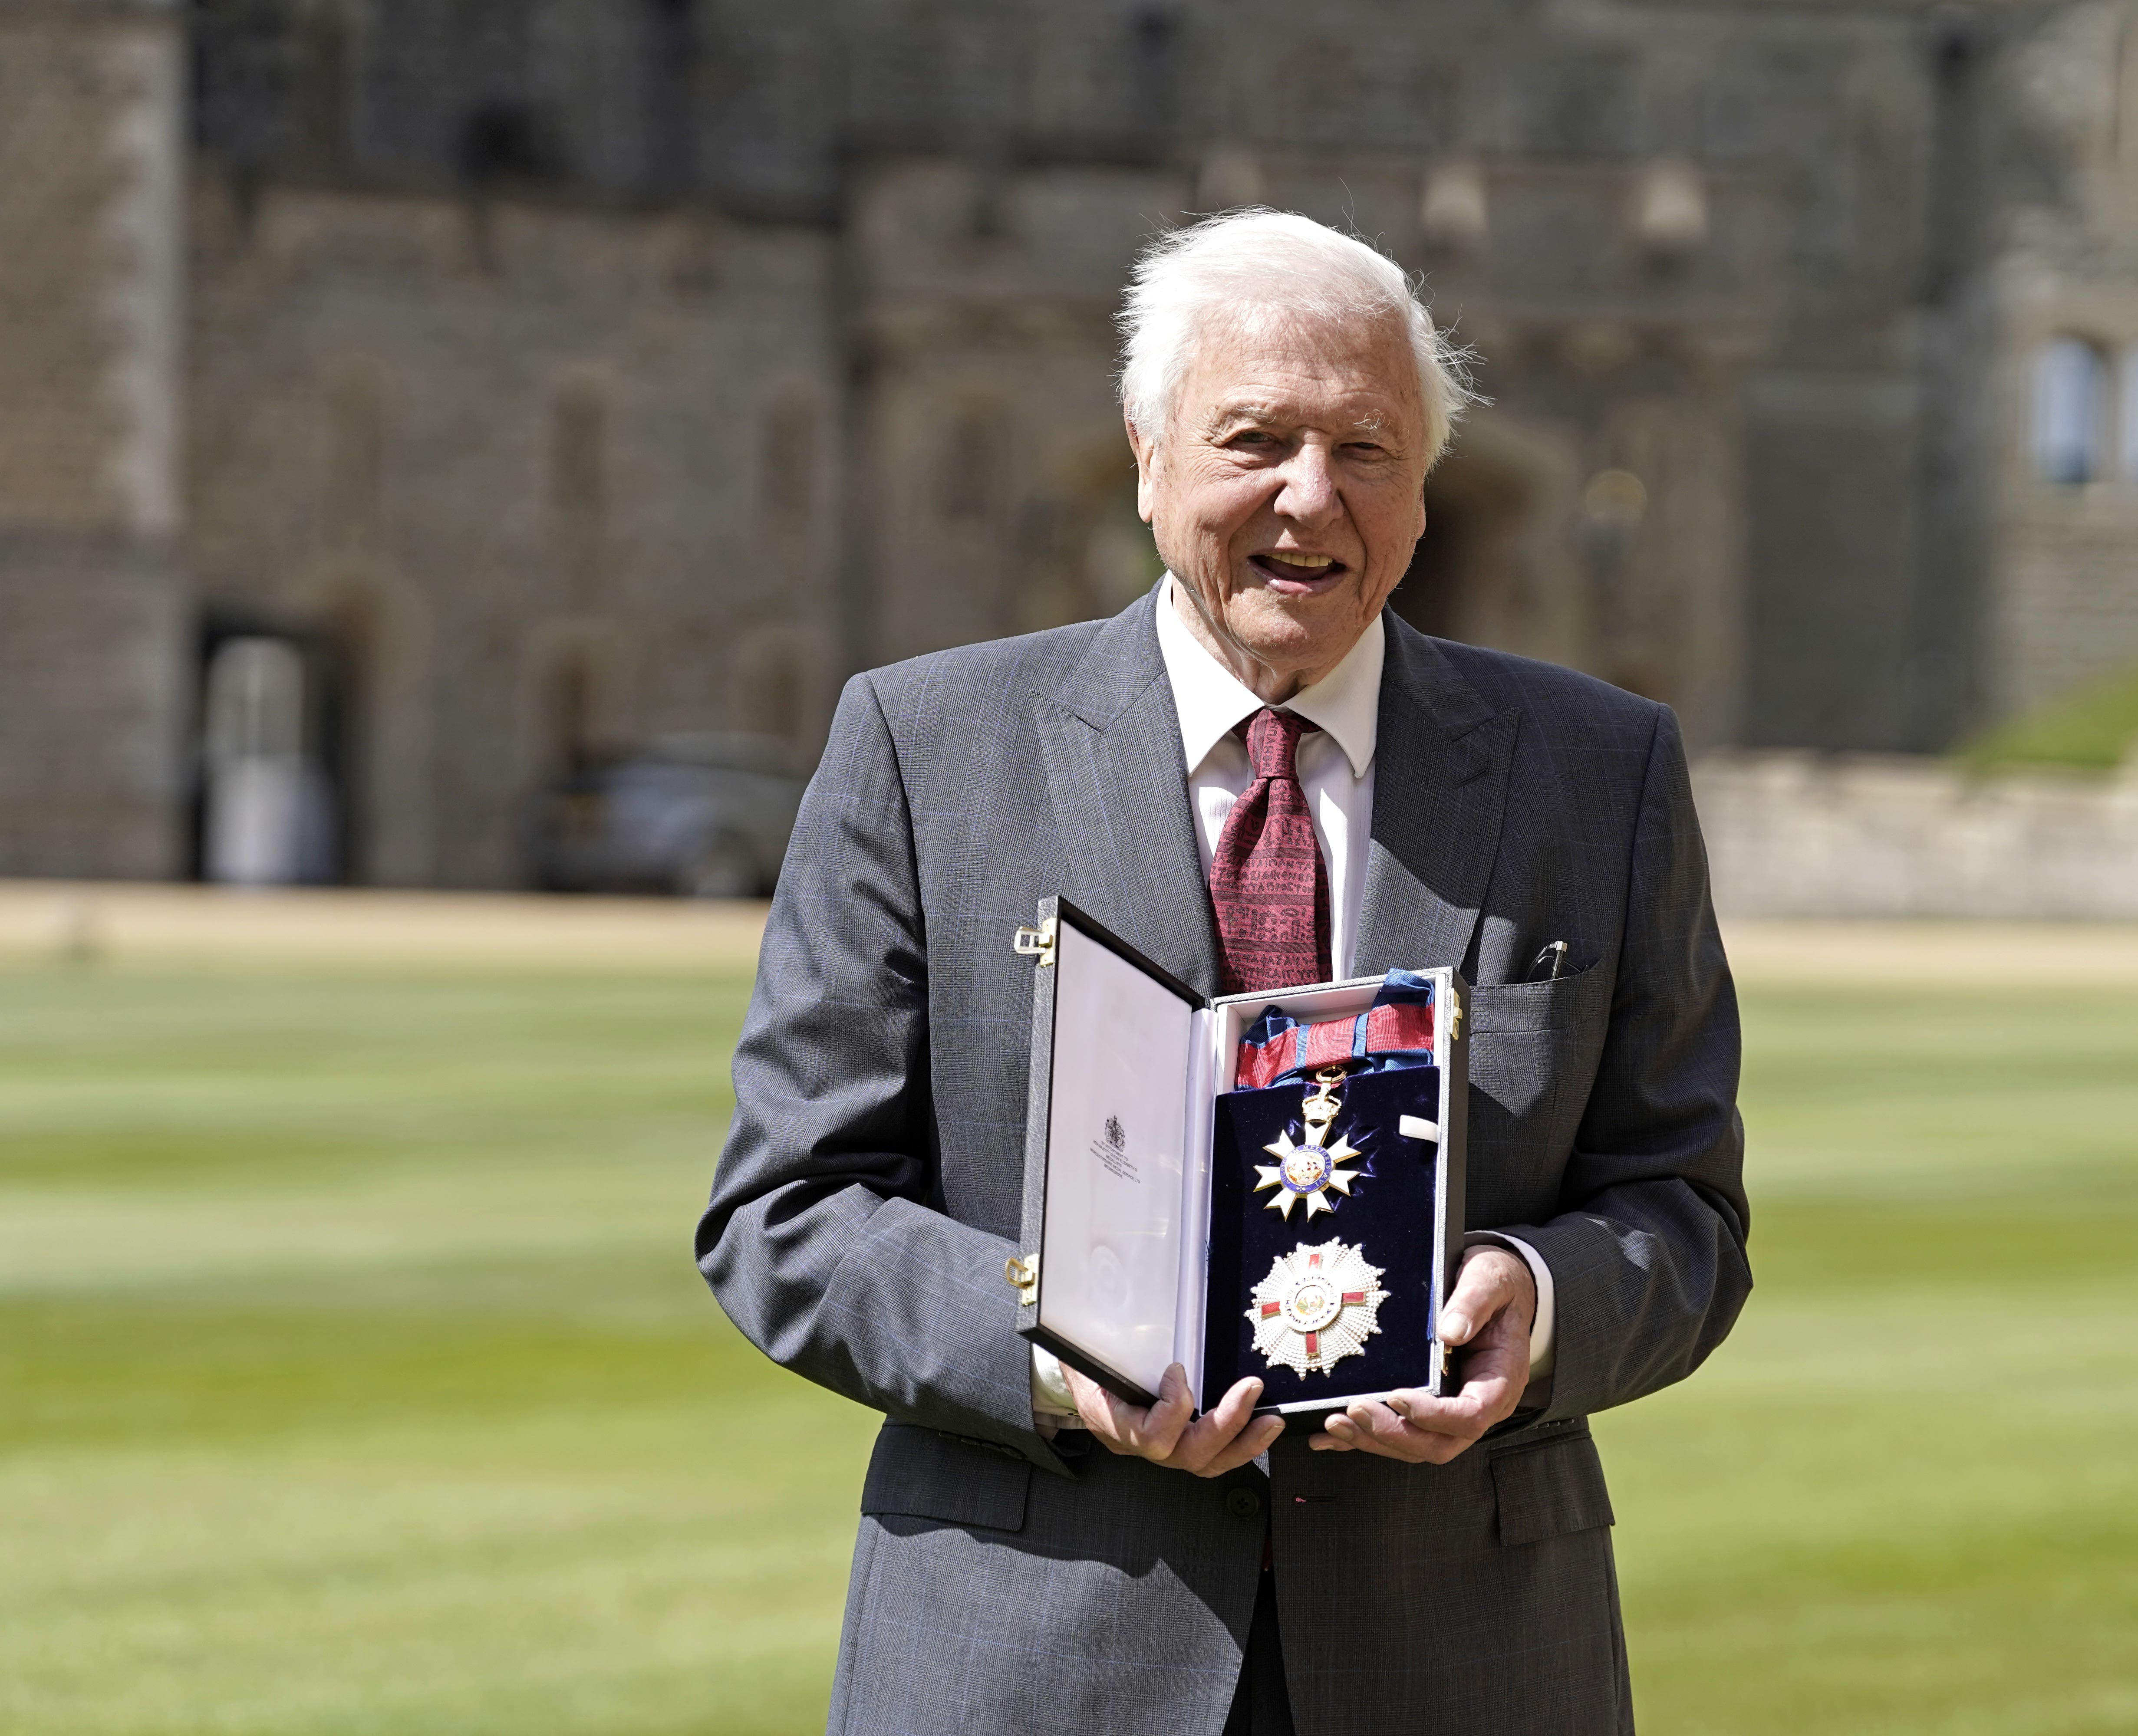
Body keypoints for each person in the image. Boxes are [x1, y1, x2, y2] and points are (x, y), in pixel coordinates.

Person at [698, 209, 1749, 1736]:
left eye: (1369, 451)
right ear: (1146, 453)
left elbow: (1685, 1210)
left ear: (1426, 481)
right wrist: (1054, 1355)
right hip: (1028, 1661)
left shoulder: (1605, 771)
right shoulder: (927, 749)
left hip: (1465, 1660)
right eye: (1254, 438)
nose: (1309, 501)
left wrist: (1540, 1301)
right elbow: (783, 1212)